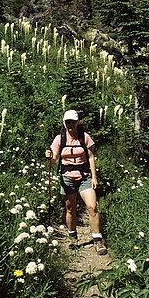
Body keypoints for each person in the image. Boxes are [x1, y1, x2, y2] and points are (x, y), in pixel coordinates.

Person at [45, 109, 107, 255]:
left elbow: (91, 157)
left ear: (78, 122)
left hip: (85, 177)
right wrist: (49, 156)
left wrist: (94, 177)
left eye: (73, 122)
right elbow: (54, 158)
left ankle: (98, 240)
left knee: (92, 207)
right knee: (70, 209)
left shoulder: (84, 137)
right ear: (64, 123)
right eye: (67, 122)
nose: (70, 125)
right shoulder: (59, 139)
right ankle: (73, 237)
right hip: (67, 178)